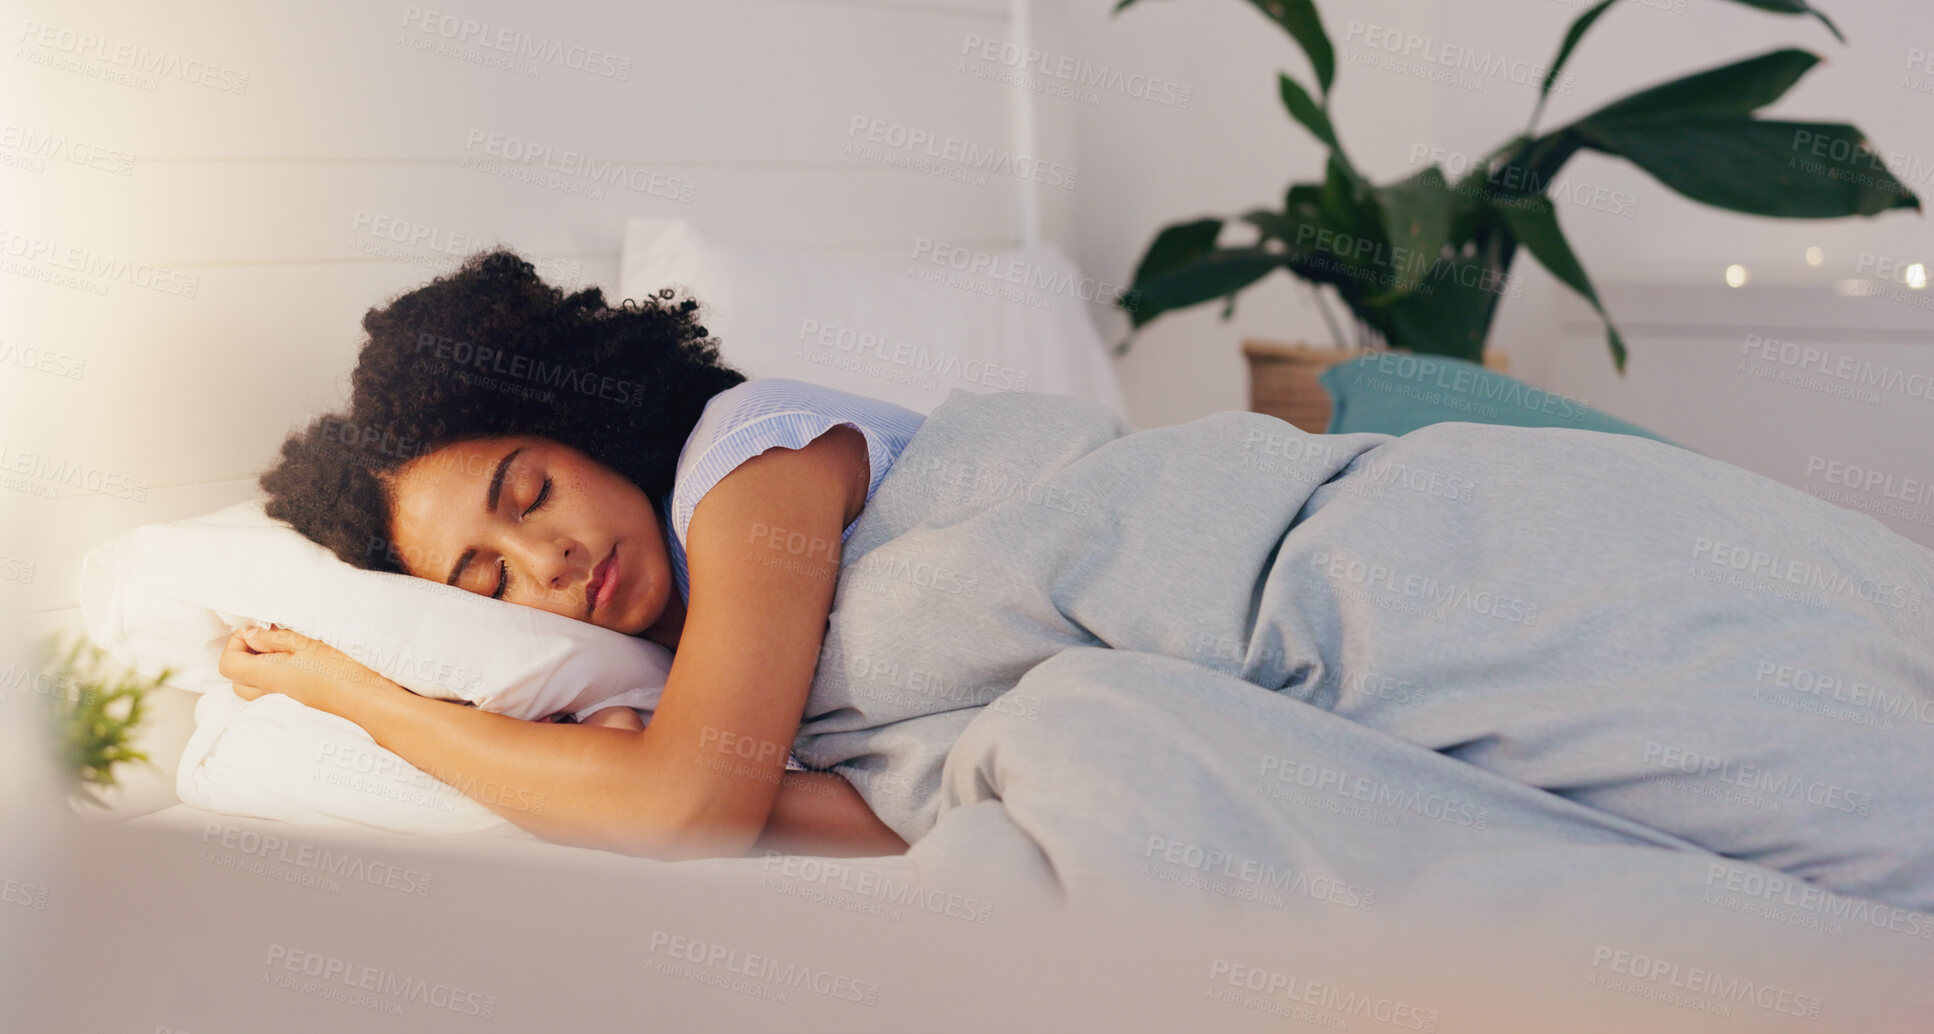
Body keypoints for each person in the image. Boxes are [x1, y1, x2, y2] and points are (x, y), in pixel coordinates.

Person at [220, 250, 919, 860]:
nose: (547, 560)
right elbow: (900, 815)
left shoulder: (750, 461)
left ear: (581, 428)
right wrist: (609, 773)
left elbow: (687, 816)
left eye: (532, 493)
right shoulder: (672, 673)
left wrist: (355, 696)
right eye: (493, 581)